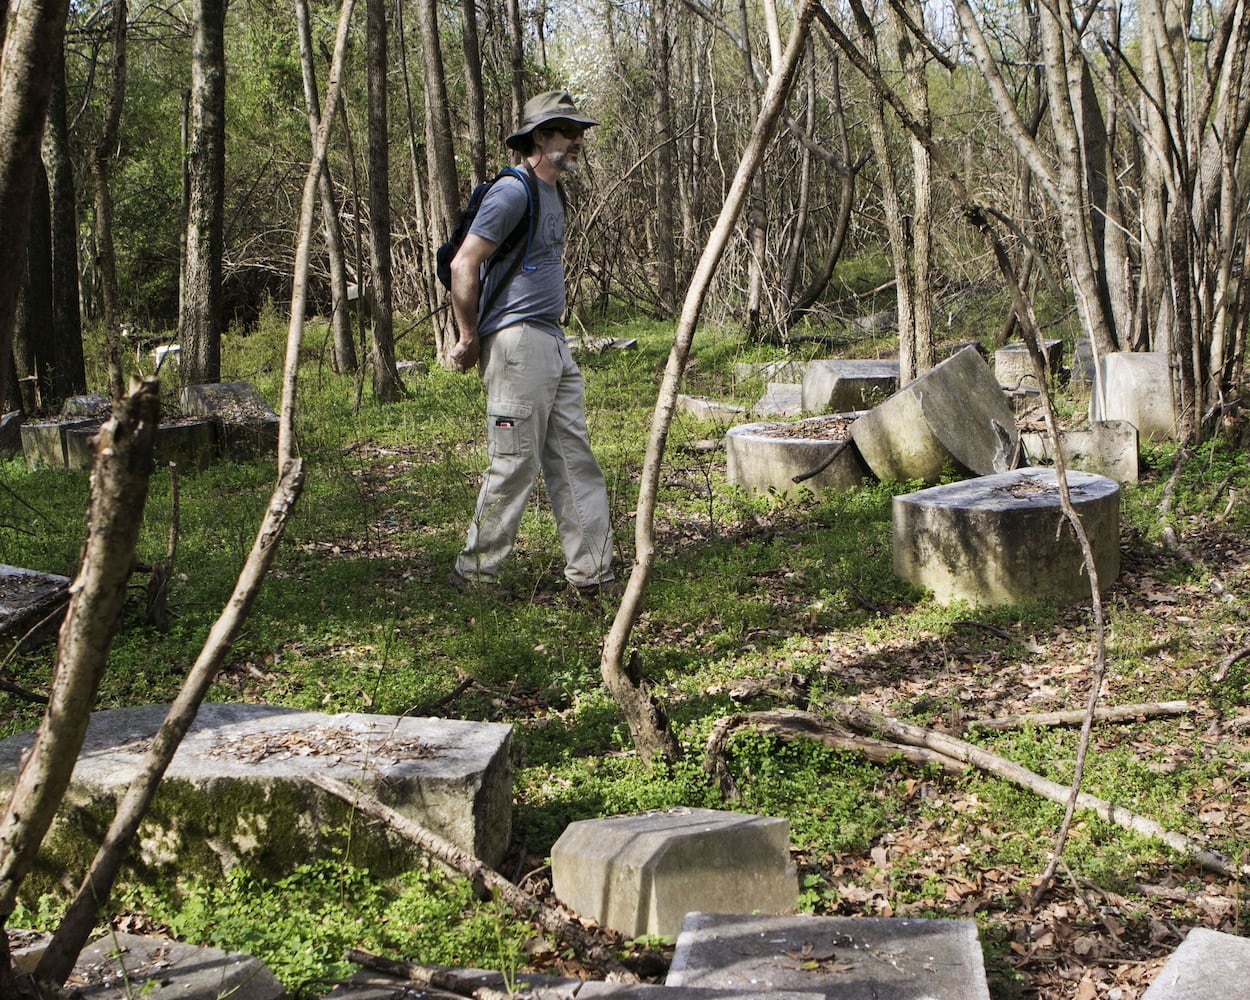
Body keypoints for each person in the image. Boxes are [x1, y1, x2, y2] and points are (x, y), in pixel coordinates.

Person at [448, 91, 618, 599]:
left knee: (573, 457)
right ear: (539, 138)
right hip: (517, 343)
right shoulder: (512, 192)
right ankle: (476, 574)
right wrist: (469, 335)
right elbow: (464, 264)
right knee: (515, 459)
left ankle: (593, 573)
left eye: (578, 131)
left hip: (551, 341)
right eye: (567, 131)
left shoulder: (552, 193)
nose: (578, 140)